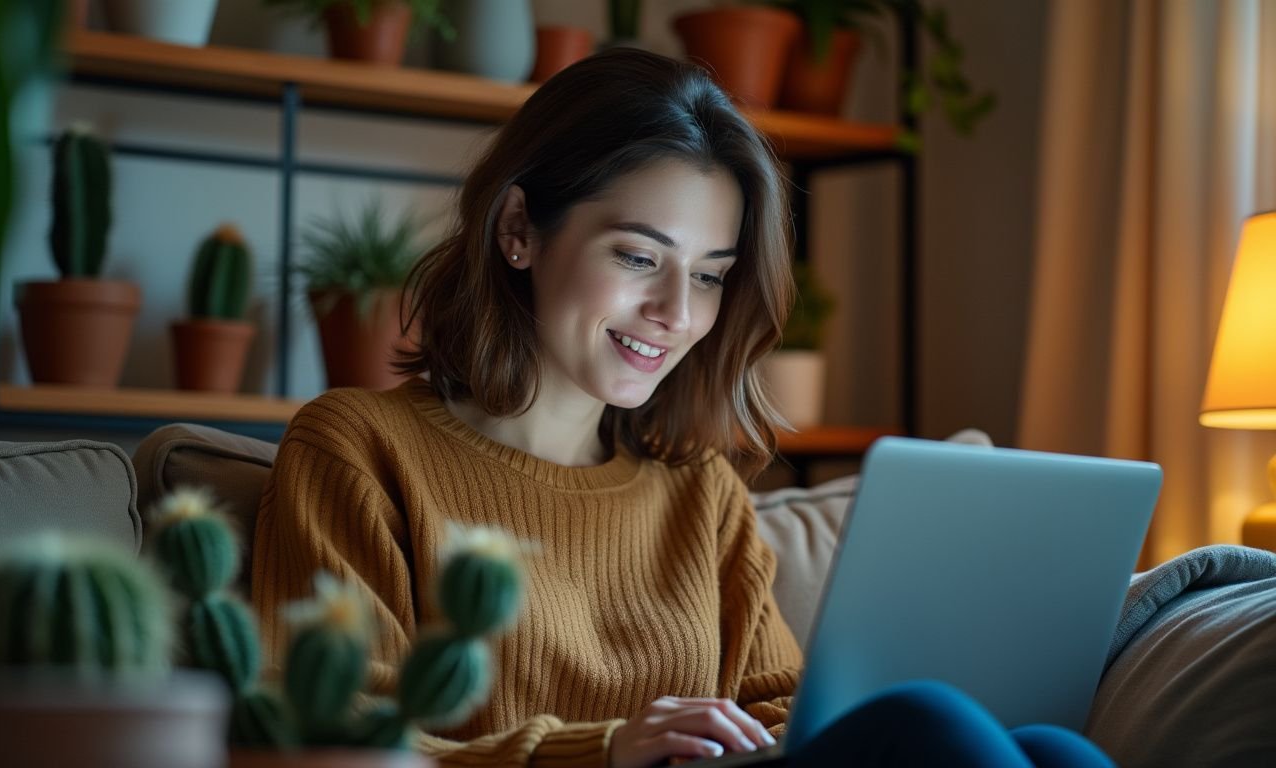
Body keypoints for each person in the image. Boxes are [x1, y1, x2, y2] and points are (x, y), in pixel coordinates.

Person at [251, 48, 1115, 768]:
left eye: (708, 275)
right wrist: (606, 750)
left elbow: (784, 710)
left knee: (1049, 747)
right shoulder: (357, 447)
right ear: (519, 228)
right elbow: (331, 739)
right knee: (935, 724)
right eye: (638, 257)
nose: (677, 313)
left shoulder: (697, 489)